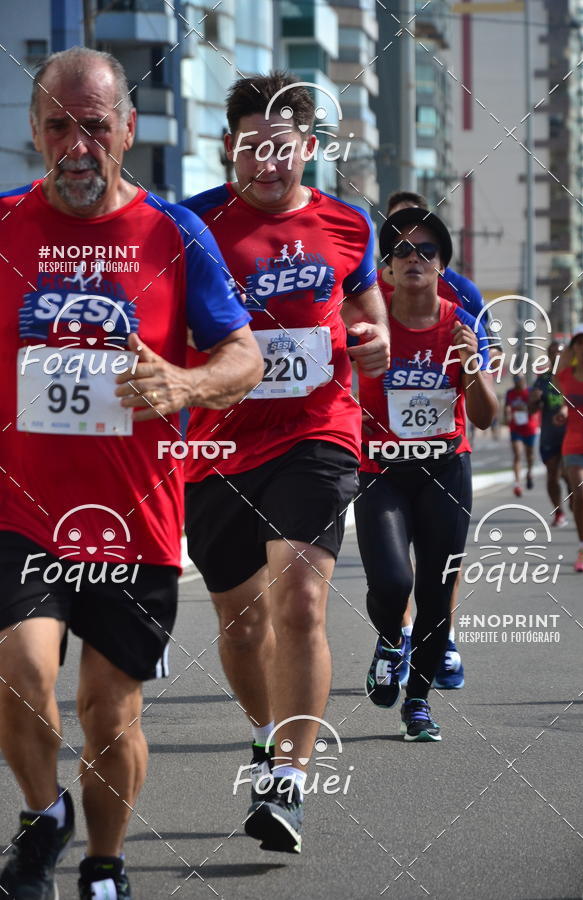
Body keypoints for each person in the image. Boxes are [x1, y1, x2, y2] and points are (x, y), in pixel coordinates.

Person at [0, 47, 261, 900]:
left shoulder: (173, 234)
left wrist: (185, 383)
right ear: (34, 132)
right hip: (22, 512)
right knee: (20, 670)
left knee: (109, 715)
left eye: (95, 126)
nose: (77, 146)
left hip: (134, 519)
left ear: (129, 131)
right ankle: (43, 816)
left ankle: (105, 865)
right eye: (57, 126)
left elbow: (244, 355)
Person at [181, 72, 389, 852]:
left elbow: (369, 317)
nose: (267, 162)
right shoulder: (191, 222)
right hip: (214, 448)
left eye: (283, 147)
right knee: (241, 628)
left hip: (318, 432)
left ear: (309, 146)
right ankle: (268, 732)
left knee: (300, 599)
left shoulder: (348, 225)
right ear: (230, 146)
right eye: (250, 147)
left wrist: (378, 345)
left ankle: (290, 779)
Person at [355, 207, 497, 740]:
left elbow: (485, 415)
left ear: (442, 265)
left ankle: (418, 705)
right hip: (382, 470)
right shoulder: (367, 321)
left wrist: (473, 367)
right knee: (393, 582)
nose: (414, 258)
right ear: (387, 267)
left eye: (426, 251)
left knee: (437, 594)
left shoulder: (459, 325)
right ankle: (392, 636)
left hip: (444, 468)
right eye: (402, 251)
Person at [377, 191, 487, 322]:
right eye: (403, 246)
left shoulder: (464, 291)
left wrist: (471, 342)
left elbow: (489, 340)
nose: (413, 257)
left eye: (426, 250)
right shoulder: (365, 290)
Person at [555, 323, 583, 573]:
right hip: (576, 445)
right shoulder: (565, 376)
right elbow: (565, 403)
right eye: (579, 343)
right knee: (581, 494)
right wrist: (563, 411)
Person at [528, 339, 568, 526]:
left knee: (570, 475)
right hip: (550, 434)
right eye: (553, 352)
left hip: (572, 435)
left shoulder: (574, 377)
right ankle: (559, 511)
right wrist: (533, 401)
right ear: (549, 355)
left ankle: (576, 500)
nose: (557, 356)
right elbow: (532, 410)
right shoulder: (543, 380)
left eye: (560, 352)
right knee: (553, 475)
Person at [504, 374, 540, 496]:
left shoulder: (530, 391)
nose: (516, 382)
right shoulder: (510, 392)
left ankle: (529, 473)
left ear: (523, 380)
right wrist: (508, 414)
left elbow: (536, 406)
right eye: (514, 379)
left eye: (518, 379)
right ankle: (517, 484)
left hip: (529, 427)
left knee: (529, 455)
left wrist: (527, 407)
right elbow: (508, 406)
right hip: (515, 428)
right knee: (517, 454)